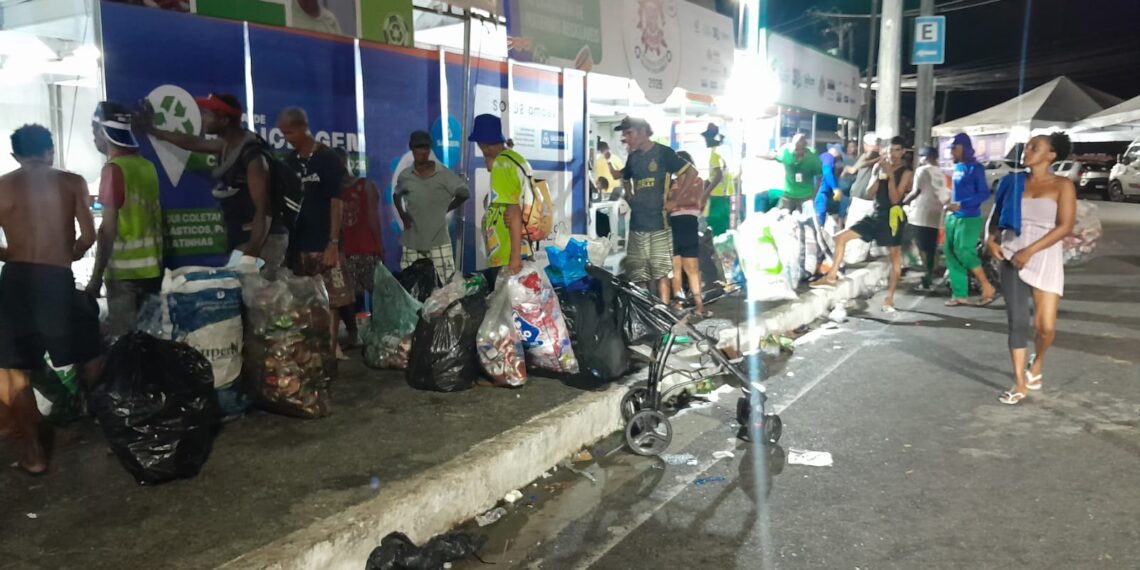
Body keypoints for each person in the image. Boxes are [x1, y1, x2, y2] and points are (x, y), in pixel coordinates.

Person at [0, 125, 101, 474]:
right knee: (89, 350)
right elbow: (89, 236)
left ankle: (34, 455)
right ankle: (107, 427)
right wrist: (67, 254)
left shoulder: (2, 186)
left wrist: (10, 253)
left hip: (15, 279)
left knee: (15, 371)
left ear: (15, 155)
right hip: (56, 277)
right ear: (50, 150)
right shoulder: (72, 182)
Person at [986, 132, 1076, 405]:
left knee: (1045, 327)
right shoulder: (1013, 182)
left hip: (1044, 256)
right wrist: (990, 240)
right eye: (1027, 146)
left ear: (1051, 155)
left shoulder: (1062, 186)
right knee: (1018, 322)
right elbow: (996, 216)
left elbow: (1065, 226)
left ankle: (1037, 363)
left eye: (1034, 147)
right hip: (1011, 255)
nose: (1027, 151)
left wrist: (1030, 251)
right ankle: (1020, 383)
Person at [140, 93, 278, 266]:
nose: (203, 118)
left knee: (259, 292)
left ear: (224, 120)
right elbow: (193, 143)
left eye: (208, 114)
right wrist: (153, 130)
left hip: (263, 241)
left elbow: (264, 211)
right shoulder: (227, 145)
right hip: (245, 238)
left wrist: (250, 258)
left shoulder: (254, 157)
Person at [277, 107, 354, 359]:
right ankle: (311, 356)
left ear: (302, 128)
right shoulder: (288, 162)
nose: (286, 137)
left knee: (332, 302)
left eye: (289, 132)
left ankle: (330, 354)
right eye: (283, 133)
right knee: (305, 303)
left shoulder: (327, 159)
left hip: (324, 244)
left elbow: (336, 202)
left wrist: (332, 243)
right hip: (298, 246)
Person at [86, 102, 165, 338]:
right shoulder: (147, 166)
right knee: (150, 340)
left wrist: (96, 278)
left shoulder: (113, 169)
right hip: (152, 271)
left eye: (93, 133)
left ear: (103, 132)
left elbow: (107, 229)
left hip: (124, 277)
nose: (94, 140)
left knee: (125, 344)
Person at [813, 136, 913, 313]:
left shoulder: (906, 172)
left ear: (903, 152)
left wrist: (890, 177)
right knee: (840, 237)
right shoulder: (879, 166)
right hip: (876, 213)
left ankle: (889, 297)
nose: (892, 154)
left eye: (897, 150)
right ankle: (832, 276)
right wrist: (878, 175)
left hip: (892, 217)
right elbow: (870, 192)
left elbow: (896, 198)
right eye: (890, 150)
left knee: (894, 257)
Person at [614, 116, 693, 302]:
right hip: (636, 224)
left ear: (642, 132)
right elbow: (625, 178)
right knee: (640, 273)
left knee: (660, 272)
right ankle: (647, 309)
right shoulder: (633, 158)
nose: (625, 138)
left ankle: (663, 310)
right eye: (624, 134)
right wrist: (629, 194)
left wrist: (676, 200)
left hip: (659, 222)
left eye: (629, 133)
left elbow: (691, 172)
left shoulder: (663, 153)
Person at [395, 130, 469, 284]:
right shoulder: (405, 176)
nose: (422, 152)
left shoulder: (443, 174)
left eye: (425, 148)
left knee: (445, 289)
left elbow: (464, 193)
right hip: (412, 243)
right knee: (411, 288)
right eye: (418, 148)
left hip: (438, 242)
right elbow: (396, 195)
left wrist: (446, 208)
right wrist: (402, 214)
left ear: (430, 150)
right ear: (411, 148)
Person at [335, 148, 383, 345]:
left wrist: (378, 245)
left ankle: (365, 332)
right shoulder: (338, 189)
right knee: (349, 296)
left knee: (362, 293)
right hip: (348, 249)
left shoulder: (365, 186)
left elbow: (372, 218)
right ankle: (358, 332)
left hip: (361, 248)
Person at [469, 114, 526, 277]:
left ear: (483, 145)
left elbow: (514, 212)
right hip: (518, 248)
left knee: (504, 301)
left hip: (507, 254)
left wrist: (514, 259)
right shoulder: (513, 158)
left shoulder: (502, 165)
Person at [945, 133, 998, 307]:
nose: (952, 152)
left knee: (965, 252)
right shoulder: (958, 167)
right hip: (953, 217)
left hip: (969, 218)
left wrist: (962, 205)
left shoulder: (976, 168)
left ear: (964, 148)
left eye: (955, 148)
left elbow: (983, 193)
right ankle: (959, 294)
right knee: (951, 253)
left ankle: (986, 286)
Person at [665, 151, 710, 317]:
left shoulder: (698, 181)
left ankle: (699, 305)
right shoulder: (672, 182)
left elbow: (695, 201)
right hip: (672, 224)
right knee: (675, 268)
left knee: (691, 268)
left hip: (688, 224)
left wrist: (674, 200)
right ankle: (679, 303)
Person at [903, 146, 951, 291]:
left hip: (921, 213)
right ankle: (931, 272)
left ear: (925, 157)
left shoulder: (922, 170)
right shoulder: (941, 173)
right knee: (931, 246)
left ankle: (927, 274)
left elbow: (916, 191)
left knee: (917, 243)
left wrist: (902, 202)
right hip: (936, 213)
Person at [768, 133, 822, 213]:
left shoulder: (813, 158)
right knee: (781, 218)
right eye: (795, 149)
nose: (796, 152)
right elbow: (774, 156)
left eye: (798, 149)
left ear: (805, 147)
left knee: (805, 221)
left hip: (806, 196)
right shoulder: (787, 153)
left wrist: (814, 196)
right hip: (788, 195)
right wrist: (757, 155)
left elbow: (819, 177)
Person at [701, 123, 736, 236]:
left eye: (707, 138)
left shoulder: (716, 153)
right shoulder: (724, 151)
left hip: (718, 196)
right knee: (721, 227)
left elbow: (719, 174)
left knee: (715, 227)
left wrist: (705, 194)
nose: (706, 140)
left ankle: (717, 251)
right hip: (725, 195)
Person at [813, 143, 846, 226]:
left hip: (821, 190)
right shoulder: (828, 157)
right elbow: (827, 172)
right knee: (820, 212)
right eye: (839, 157)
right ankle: (819, 230)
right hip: (819, 190)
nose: (838, 160)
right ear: (836, 152)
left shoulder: (824, 158)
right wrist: (835, 188)